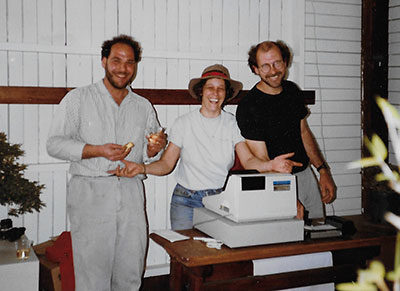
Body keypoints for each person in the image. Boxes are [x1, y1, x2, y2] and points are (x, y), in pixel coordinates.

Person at [108, 64, 302, 230]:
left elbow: (249, 161)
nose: (215, 93)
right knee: (185, 257)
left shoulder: (232, 124)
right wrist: (142, 168)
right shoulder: (183, 123)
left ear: (226, 94)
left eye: (221, 88)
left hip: (220, 202)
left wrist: (271, 165)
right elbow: (166, 164)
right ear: (201, 91)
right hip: (185, 201)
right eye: (210, 87)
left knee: (215, 260)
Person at [46, 35, 167, 291]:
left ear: (135, 66)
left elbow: (150, 153)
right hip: (90, 192)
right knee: (92, 275)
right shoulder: (78, 99)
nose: (123, 68)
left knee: (131, 270)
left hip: (131, 192)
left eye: (129, 62)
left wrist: (155, 147)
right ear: (103, 61)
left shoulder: (143, 106)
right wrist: (95, 150)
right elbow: (54, 144)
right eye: (116, 60)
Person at [235, 40, 336, 221]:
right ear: (255, 69)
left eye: (277, 63)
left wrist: (322, 170)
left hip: (306, 176)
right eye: (265, 66)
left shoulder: (292, 91)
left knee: (318, 233)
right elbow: (263, 159)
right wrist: (288, 199)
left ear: (285, 61)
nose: (273, 71)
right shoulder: (248, 106)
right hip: (277, 183)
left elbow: (304, 133)